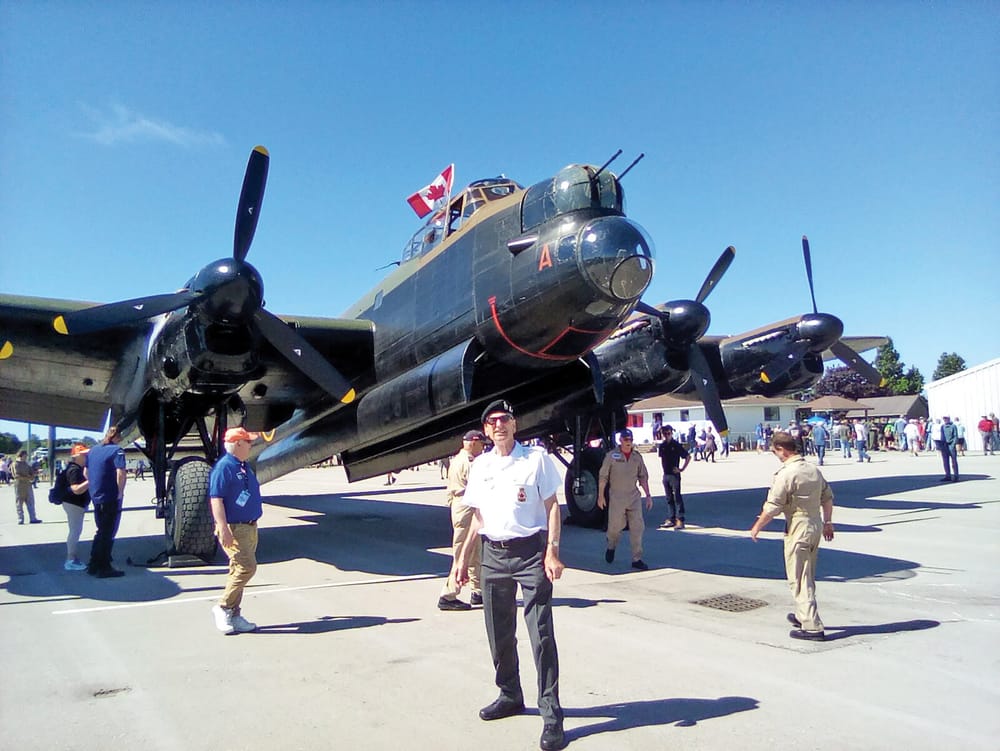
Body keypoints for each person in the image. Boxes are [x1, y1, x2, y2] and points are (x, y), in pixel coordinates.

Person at [452, 399, 566, 751]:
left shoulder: (535, 459)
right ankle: (510, 694)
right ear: (485, 430)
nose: (498, 425)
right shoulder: (481, 465)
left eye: (504, 419)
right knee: (499, 632)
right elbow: (478, 518)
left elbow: (552, 507)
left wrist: (553, 551)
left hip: (530, 553)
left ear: (515, 424)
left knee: (541, 634)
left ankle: (551, 715)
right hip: (493, 556)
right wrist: (461, 561)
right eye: (492, 421)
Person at [750, 431, 834, 641]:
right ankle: (801, 614)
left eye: (775, 451)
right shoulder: (813, 469)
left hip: (798, 526)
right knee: (808, 572)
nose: (775, 455)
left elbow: (773, 506)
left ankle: (812, 626)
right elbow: (827, 497)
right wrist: (828, 522)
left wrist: (757, 526)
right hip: (815, 524)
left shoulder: (786, 474)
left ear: (782, 449)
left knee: (798, 577)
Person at [208, 427, 264, 635]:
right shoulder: (224, 467)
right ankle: (223, 607)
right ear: (238, 444)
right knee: (246, 567)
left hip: (250, 526)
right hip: (235, 527)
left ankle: (234, 614)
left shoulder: (241, 465)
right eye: (247, 442)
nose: (251, 445)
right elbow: (216, 498)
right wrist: (222, 527)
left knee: (237, 570)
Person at [438, 429, 486, 611]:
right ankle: (448, 594)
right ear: (473, 442)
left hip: (459, 504)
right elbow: (479, 487)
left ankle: (477, 590)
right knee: (462, 553)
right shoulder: (469, 463)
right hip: (467, 506)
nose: (483, 449)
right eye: (481, 444)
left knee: (475, 550)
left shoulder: (456, 459)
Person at [598, 428, 653, 570]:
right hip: (617, 497)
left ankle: (637, 559)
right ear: (620, 441)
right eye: (626, 440)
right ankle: (611, 546)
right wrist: (600, 496)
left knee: (638, 528)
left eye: (630, 440)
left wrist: (648, 495)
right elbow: (603, 477)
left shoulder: (636, 457)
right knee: (615, 527)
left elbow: (643, 477)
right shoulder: (612, 456)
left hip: (633, 497)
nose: (628, 442)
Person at [86, 426, 127, 577]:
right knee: (107, 532)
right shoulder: (117, 450)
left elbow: (86, 472)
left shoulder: (93, 450)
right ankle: (104, 567)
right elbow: (121, 472)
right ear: (117, 438)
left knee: (100, 531)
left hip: (96, 496)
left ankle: (93, 564)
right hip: (110, 496)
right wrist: (120, 492)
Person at [62, 444, 91, 570]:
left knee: (75, 530)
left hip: (76, 503)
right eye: (83, 454)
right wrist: (91, 481)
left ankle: (72, 558)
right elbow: (76, 489)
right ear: (76, 456)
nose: (86, 456)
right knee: (75, 531)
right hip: (73, 503)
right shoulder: (74, 470)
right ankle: (70, 559)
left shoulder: (78, 468)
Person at [657, 425, 691, 529]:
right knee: (669, 498)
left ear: (672, 433)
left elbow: (688, 456)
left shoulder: (676, 445)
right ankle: (671, 518)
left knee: (677, 497)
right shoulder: (662, 446)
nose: (666, 436)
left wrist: (681, 469)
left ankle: (680, 519)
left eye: (668, 433)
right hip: (666, 474)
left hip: (674, 475)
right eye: (664, 434)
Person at [12, 450, 41, 524]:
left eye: (26, 456)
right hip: (19, 486)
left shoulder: (26, 464)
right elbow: (16, 476)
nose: (26, 457)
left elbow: (31, 473)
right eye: (25, 456)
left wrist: (36, 473)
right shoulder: (15, 464)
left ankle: (33, 518)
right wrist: (28, 477)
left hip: (28, 485)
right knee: (19, 503)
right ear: (20, 456)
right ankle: (20, 519)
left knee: (31, 502)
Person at [939, 416, 959, 482]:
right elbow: (942, 436)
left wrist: (953, 444)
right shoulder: (942, 426)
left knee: (954, 461)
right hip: (944, 445)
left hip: (951, 445)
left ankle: (956, 476)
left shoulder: (953, 426)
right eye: (944, 418)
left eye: (946, 418)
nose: (945, 420)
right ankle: (947, 475)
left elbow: (955, 436)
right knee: (945, 461)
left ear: (949, 419)